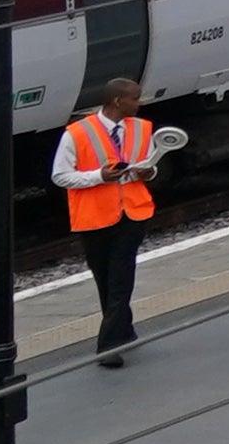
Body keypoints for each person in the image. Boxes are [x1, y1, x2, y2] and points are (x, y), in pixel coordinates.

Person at [52, 72, 180, 366]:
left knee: (121, 277)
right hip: (94, 216)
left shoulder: (142, 129)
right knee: (105, 278)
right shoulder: (77, 133)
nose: (140, 103)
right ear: (117, 101)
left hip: (133, 212)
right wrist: (99, 176)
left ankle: (108, 347)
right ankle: (125, 329)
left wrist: (150, 172)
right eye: (135, 98)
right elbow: (60, 175)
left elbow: (148, 164)